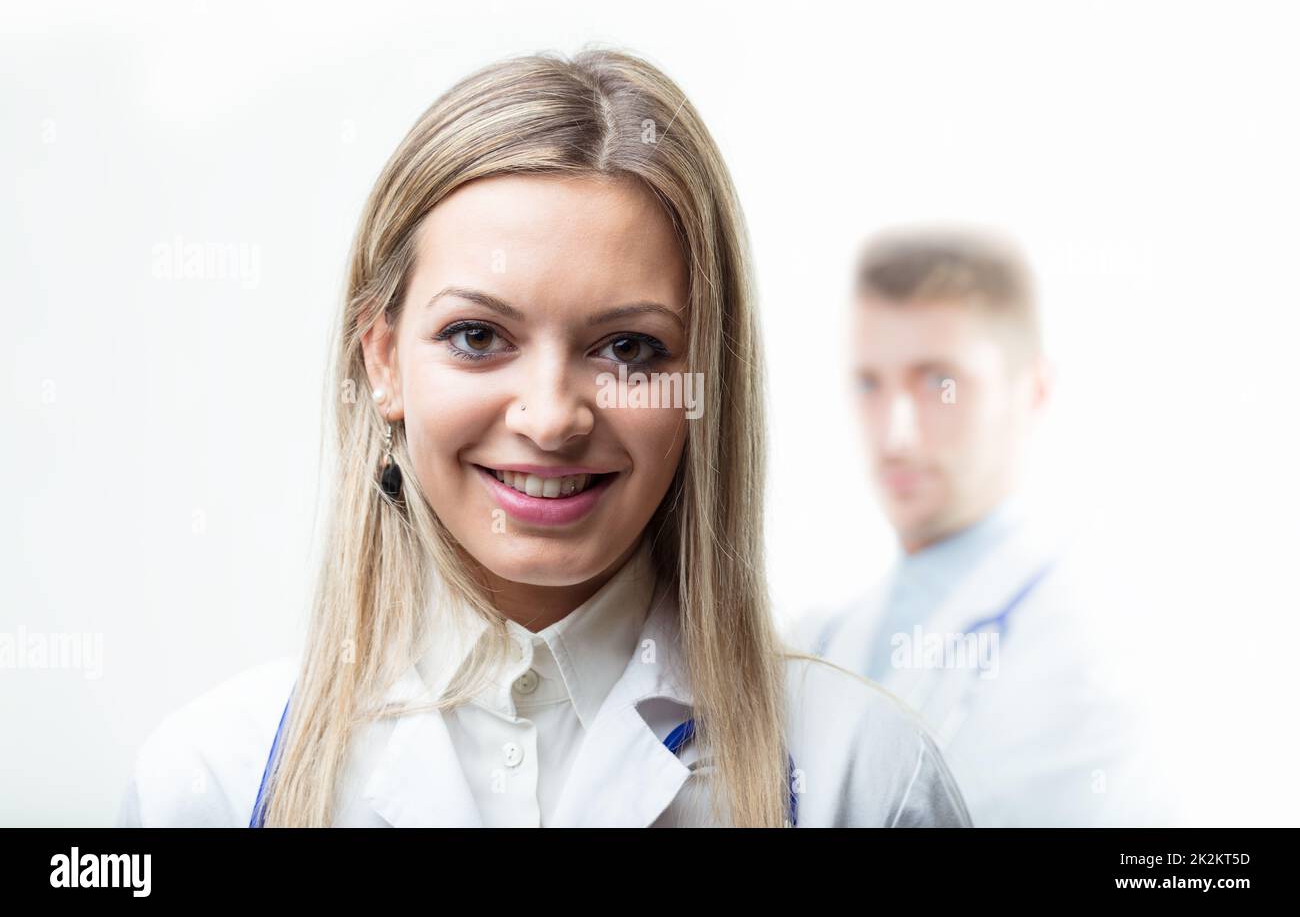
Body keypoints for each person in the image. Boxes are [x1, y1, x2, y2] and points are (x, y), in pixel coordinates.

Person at [116, 49, 971, 828]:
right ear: (382, 362)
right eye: (478, 337)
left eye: (629, 348)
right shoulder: (213, 781)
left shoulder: (864, 777)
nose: (552, 416)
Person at [793, 227, 1174, 826]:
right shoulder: (823, 637)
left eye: (938, 384)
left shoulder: (1093, 654)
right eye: (870, 384)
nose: (895, 435)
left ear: (1033, 391)